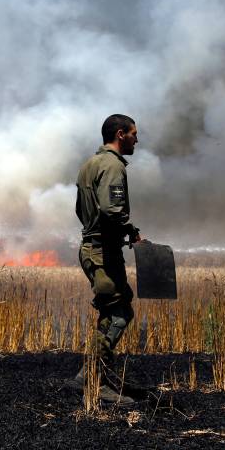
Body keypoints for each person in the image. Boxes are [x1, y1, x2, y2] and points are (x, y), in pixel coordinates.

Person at [71, 114, 142, 404]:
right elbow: (113, 210)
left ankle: (87, 375)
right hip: (103, 251)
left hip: (93, 247)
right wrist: (131, 232)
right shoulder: (113, 166)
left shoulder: (89, 165)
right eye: (134, 134)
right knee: (119, 314)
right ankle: (94, 381)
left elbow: (80, 209)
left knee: (114, 308)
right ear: (121, 134)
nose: (137, 139)